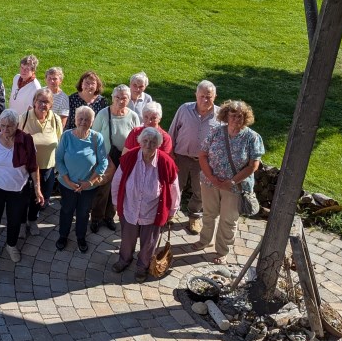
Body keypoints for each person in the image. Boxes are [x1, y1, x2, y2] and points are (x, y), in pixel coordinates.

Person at [195, 100, 264, 265]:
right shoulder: (216, 132)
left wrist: (231, 182)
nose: (236, 119)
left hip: (234, 186)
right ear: (226, 115)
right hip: (209, 181)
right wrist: (212, 177)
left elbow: (253, 165)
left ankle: (222, 250)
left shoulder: (252, 137)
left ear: (245, 118)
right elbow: (202, 154)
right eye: (233, 115)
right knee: (208, 213)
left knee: (228, 219)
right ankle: (205, 240)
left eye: (240, 116)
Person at [111, 127, 181, 282]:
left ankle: (142, 266)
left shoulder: (165, 162)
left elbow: (174, 187)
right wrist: (116, 202)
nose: (148, 145)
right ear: (140, 142)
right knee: (127, 238)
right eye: (145, 141)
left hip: (152, 211)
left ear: (158, 145)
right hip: (130, 208)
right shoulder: (129, 158)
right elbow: (117, 181)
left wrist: (172, 210)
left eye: (153, 142)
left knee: (149, 242)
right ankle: (124, 260)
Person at [0, 109, 42, 263]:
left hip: (19, 189)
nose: (5, 129)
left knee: (15, 219)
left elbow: (33, 166)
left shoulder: (26, 140)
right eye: (2, 125)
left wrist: (37, 189)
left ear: (17, 125)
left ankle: (11, 245)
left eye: (9, 126)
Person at [168, 80, 220, 235]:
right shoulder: (184, 109)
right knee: (175, 187)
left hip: (204, 162)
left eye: (208, 97)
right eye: (202, 96)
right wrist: (170, 154)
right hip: (181, 157)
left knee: (201, 191)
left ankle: (194, 217)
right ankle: (170, 214)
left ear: (215, 97)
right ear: (196, 95)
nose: (205, 100)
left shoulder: (220, 115)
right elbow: (172, 131)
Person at [55, 106, 108, 253]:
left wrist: (89, 182)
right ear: (75, 119)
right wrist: (68, 181)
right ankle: (63, 235)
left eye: (87, 119)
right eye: (80, 118)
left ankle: (80, 237)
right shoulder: (66, 136)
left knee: (84, 212)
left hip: (88, 186)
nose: (83, 122)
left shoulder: (97, 137)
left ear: (92, 122)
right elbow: (58, 160)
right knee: (66, 210)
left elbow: (103, 162)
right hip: (67, 184)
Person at [90, 84, 142, 233]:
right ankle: (96, 218)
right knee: (103, 189)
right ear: (112, 98)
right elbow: (94, 136)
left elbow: (137, 138)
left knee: (118, 189)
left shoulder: (132, 116)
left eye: (124, 98)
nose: (120, 100)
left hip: (125, 160)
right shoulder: (103, 114)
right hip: (105, 159)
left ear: (129, 99)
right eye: (117, 97)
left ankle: (109, 217)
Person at [18, 88, 63, 235]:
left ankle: (33, 220)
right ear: (34, 102)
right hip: (26, 167)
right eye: (40, 101)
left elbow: (59, 142)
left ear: (51, 105)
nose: (43, 104)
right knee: (23, 196)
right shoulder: (24, 118)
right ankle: (21, 222)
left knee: (38, 197)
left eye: (47, 102)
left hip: (46, 168)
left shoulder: (55, 120)